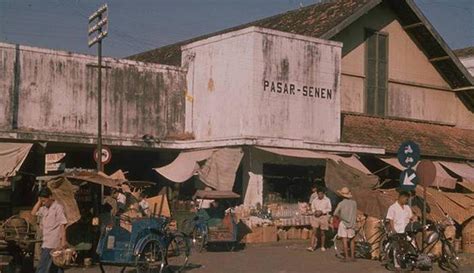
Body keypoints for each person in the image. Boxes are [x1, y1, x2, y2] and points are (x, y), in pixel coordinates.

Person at [31, 187, 68, 273]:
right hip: (46, 241)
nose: (43, 203)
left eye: (44, 200)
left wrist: (63, 242)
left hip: (53, 243)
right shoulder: (44, 209)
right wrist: (39, 201)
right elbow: (33, 213)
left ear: (50, 197)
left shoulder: (58, 208)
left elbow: (62, 225)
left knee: (42, 267)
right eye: (42, 201)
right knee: (56, 267)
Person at [333, 187, 357, 262]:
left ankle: (346, 257)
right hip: (352, 223)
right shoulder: (354, 203)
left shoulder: (341, 203)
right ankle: (353, 257)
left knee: (344, 239)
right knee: (352, 240)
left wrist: (341, 217)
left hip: (344, 223)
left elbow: (335, 213)